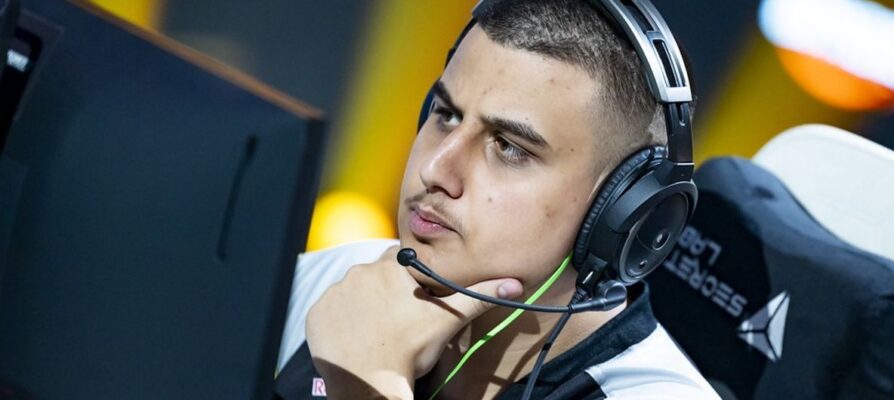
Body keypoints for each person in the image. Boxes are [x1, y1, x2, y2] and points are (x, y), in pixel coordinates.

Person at [274, 1, 719, 399]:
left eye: (509, 147)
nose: (435, 169)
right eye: (446, 115)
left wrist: (369, 389)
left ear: (620, 210)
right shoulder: (332, 285)